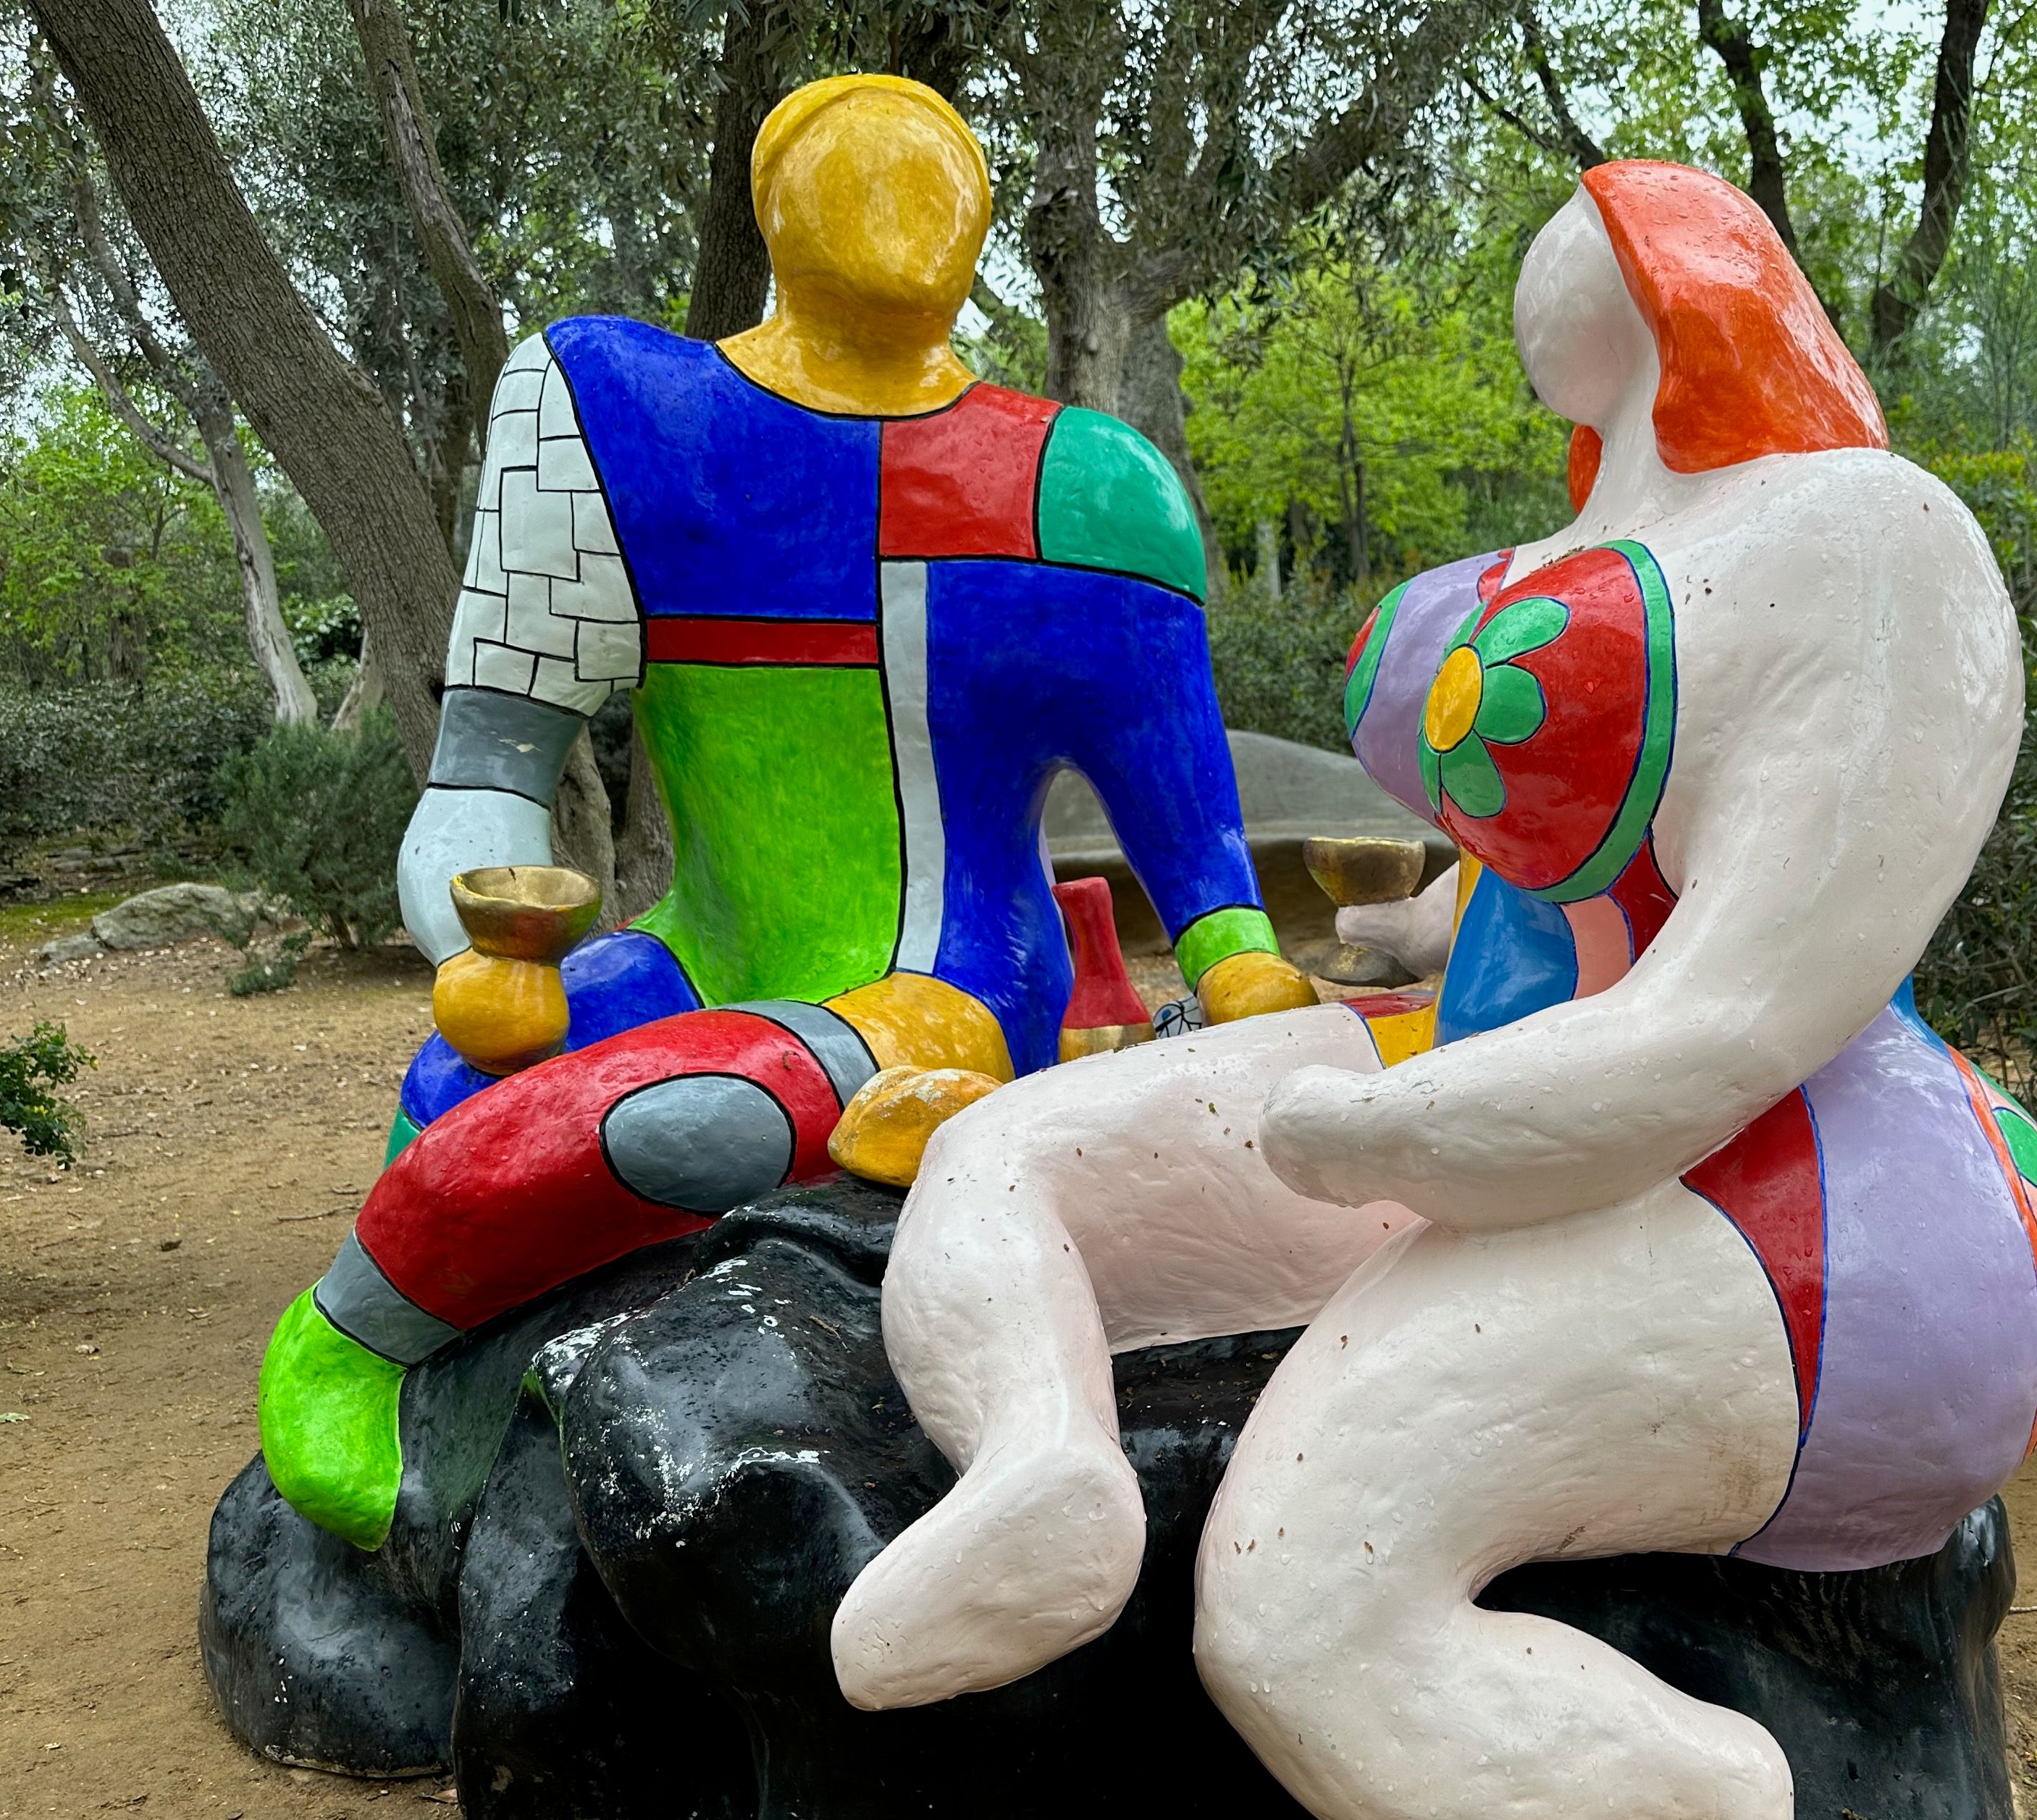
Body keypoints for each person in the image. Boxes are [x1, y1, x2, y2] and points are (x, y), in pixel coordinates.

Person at [840, 162, 2037, 1820]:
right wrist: (1407, 965)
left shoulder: (1867, 539)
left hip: (1797, 1208)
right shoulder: (1610, 529)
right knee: (1005, 1153)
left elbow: (1734, 1018)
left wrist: (1398, 1137)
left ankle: (1712, 1807)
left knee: (1295, 1609)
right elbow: (1545, 891)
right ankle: (1045, 1472)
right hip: (1482, 1100)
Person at [259, 75, 1311, 1550]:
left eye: (930, 171)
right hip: (708, 948)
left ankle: (343, 1343)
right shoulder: (619, 415)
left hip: (945, 991)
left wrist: (1246, 977)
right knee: (460, 1077)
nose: (895, 196)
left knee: (691, 1117)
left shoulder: (1089, 487)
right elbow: (485, 777)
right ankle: (461, 1390)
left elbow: (1199, 852)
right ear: (772, 209)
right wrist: (479, 929)